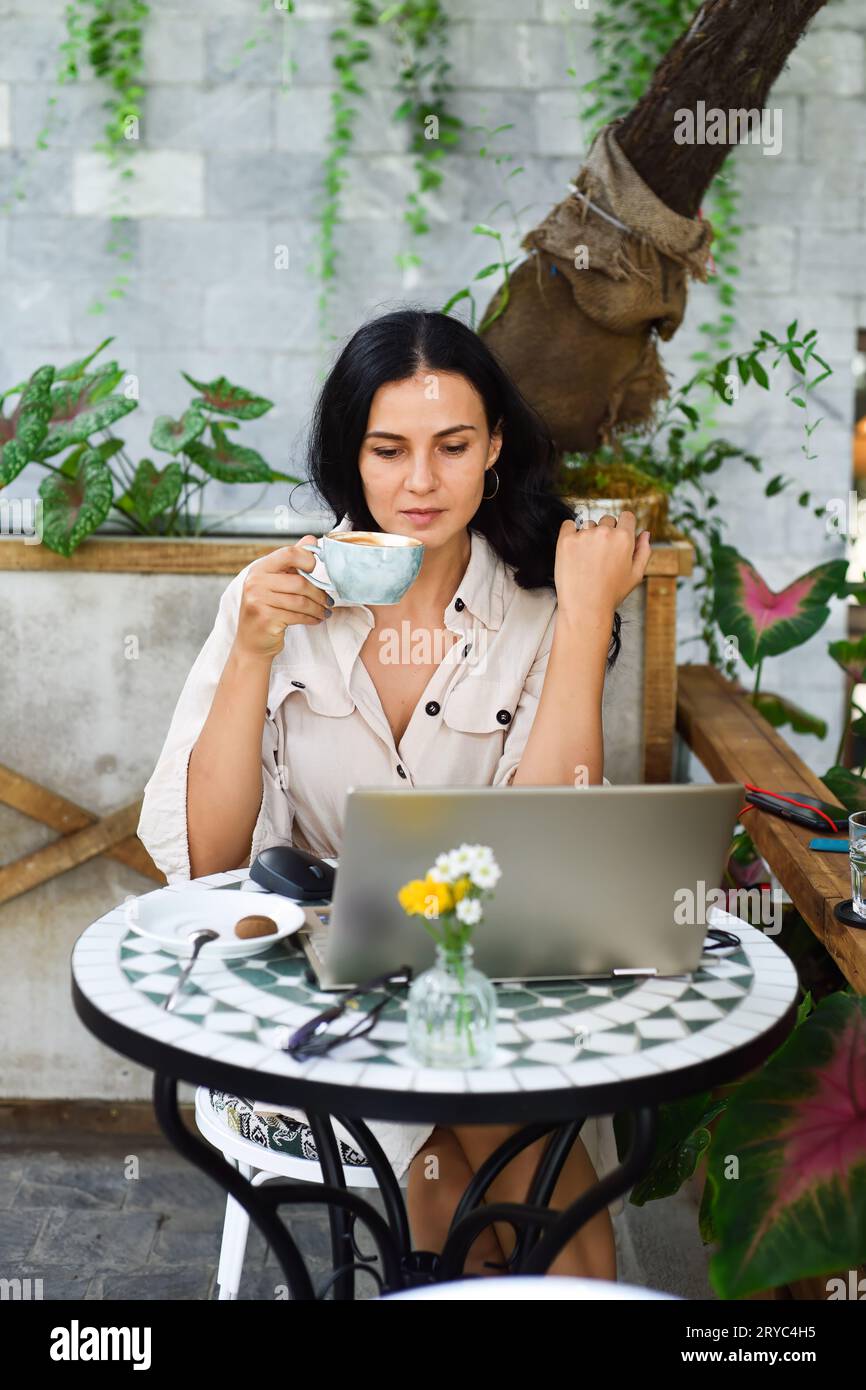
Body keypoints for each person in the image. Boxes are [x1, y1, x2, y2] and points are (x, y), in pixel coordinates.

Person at [138, 306, 652, 1281]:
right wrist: (250, 652)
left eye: (452, 445)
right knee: (541, 1206)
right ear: (350, 459)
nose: (420, 482)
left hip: (489, 984)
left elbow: (553, 834)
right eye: (388, 450)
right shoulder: (274, 600)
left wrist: (584, 619)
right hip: (312, 1002)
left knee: (472, 1186)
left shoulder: (540, 606)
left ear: (494, 446)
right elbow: (209, 863)